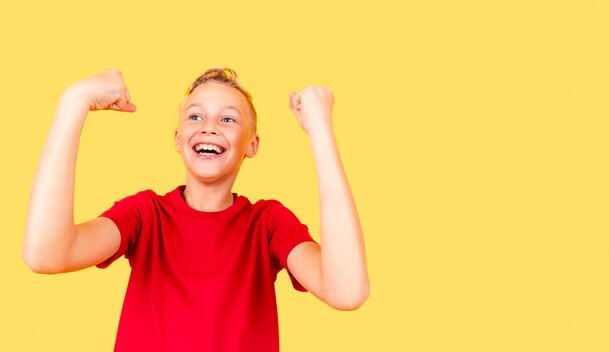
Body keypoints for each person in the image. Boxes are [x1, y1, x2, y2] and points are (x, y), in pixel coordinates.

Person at [23, 68, 369, 351]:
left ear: (252, 144)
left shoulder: (268, 224)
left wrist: (320, 131)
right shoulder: (145, 214)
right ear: (177, 138)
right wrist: (74, 102)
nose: (209, 126)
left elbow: (347, 291)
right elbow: (45, 255)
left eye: (229, 119)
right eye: (196, 115)